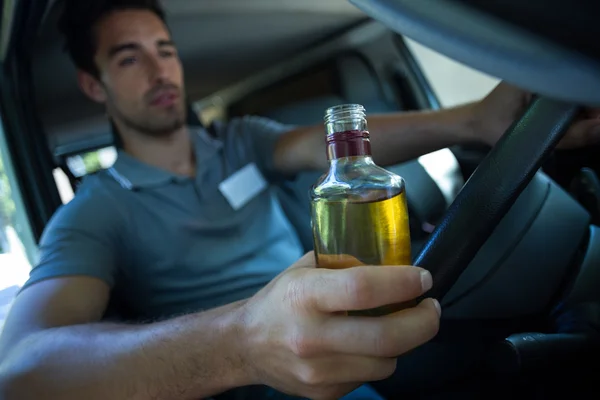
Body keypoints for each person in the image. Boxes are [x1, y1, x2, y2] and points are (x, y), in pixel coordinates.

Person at [1, 1, 599, 399]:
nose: (159, 70)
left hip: (349, 331)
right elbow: (22, 365)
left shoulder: (240, 142)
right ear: (92, 84)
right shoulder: (94, 211)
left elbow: (327, 147)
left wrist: (476, 121)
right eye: (128, 58)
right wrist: (242, 342)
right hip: (239, 378)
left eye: (164, 48)